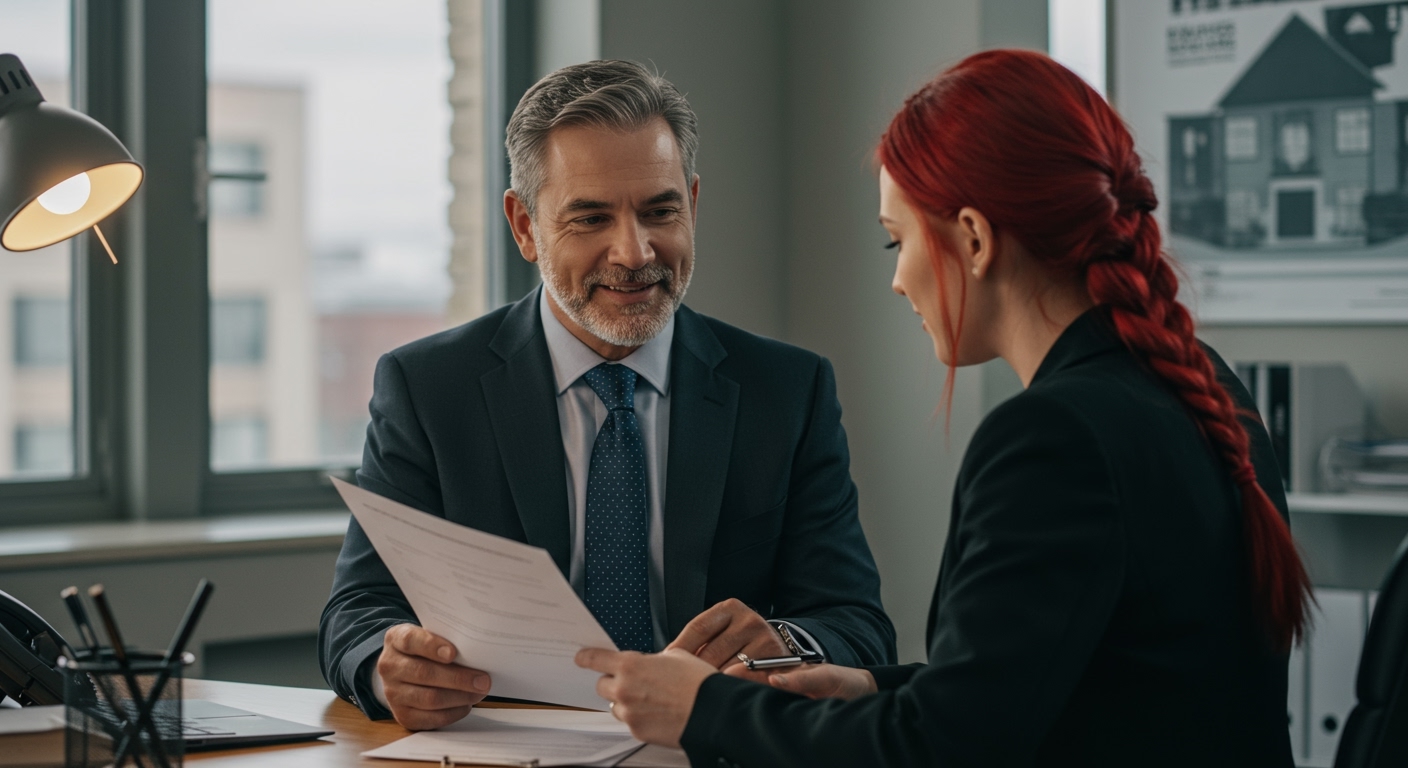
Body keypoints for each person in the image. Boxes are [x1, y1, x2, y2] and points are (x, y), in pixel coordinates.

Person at [575, 50, 1311, 767]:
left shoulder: (1052, 439)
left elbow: (940, 748)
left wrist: (704, 710)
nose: (898, 281)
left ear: (975, 238)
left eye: (897, 241)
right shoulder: (1200, 381)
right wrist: (868, 688)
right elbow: (1061, 687)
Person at [318, 59, 896, 729]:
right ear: (525, 226)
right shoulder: (427, 389)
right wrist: (389, 670)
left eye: (660, 211)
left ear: (694, 206)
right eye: (590, 219)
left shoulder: (787, 391)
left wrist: (784, 647)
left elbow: (858, 625)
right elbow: (357, 612)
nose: (634, 251)